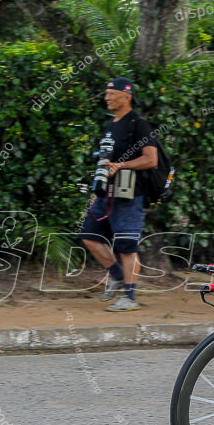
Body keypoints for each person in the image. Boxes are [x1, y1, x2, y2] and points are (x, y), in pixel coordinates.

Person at [78, 77, 158, 312]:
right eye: (106, 93)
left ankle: (129, 297)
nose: (107, 98)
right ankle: (117, 275)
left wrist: (121, 166)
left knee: (126, 245)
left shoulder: (138, 123)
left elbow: (151, 159)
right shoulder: (112, 123)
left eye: (111, 93)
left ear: (127, 95)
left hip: (130, 195)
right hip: (106, 194)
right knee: (89, 235)